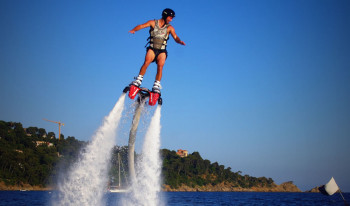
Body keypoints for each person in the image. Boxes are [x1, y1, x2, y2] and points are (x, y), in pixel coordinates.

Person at [128, 8, 186, 94]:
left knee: (160, 66)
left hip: (162, 51)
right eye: (170, 17)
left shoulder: (170, 28)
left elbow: (175, 37)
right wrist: (134, 30)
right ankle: (138, 80)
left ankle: (156, 85)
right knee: (146, 62)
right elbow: (141, 26)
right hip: (152, 49)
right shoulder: (153, 23)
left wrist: (180, 41)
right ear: (165, 15)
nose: (171, 19)